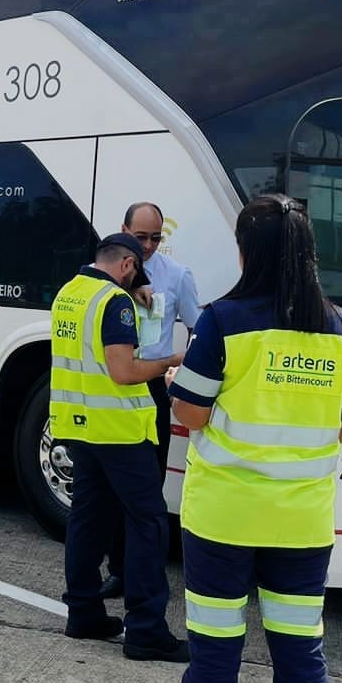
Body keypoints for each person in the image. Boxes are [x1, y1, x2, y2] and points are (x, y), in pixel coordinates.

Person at [153, 194, 342, 683]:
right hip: (302, 526)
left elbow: (188, 416)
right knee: (301, 658)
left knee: (215, 654)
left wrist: (174, 380)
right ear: (308, 254)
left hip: (222, 522)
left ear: (247, 253)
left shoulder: (224, 322)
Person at [50, 233, 189, 663]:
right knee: (148, 524)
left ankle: (83, 612)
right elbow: (123, 371)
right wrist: (170, 360)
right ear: (127, 264)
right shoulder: (114, 302)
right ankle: (146, 630)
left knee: (88, 519)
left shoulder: (68, 294)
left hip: (79, 427)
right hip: (119, 432)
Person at [100, 201, 202, 600]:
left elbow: (197, 329)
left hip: (151, 388)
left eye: (156, 237)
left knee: (147, 487)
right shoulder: (108, 274)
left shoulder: (176, 276)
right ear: (123, 229)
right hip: (112, 388)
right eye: (140, 236)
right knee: (109, 486)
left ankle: (140, 573)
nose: (148, 245)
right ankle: (117, 571)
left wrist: (184, 369)